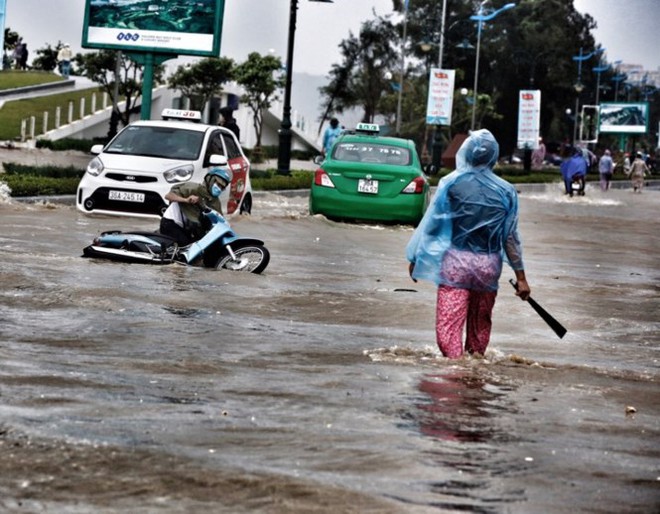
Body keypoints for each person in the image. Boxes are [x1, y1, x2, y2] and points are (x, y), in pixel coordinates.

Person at [405, 129, 531, 359]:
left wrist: (416, 257)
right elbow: (510, 238)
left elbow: (432, 225)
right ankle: (474, 378)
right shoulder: (507, 191)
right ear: (494, 156)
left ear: (468, 154)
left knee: (448, 326)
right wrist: (521, 277)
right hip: (488, 267)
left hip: (456, 264)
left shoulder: (451, 184)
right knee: (479, 325)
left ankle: (454, 373)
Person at [160, 167, 231, 246]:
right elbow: (168, 196)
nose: (219, 189)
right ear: (210, 180)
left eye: (222, 187)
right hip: (171, 223)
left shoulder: (215, 202)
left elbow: (220, 220)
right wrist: (186, 200)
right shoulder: (193, 188)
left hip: (189, 228)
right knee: (187, 249)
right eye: (218, 184)